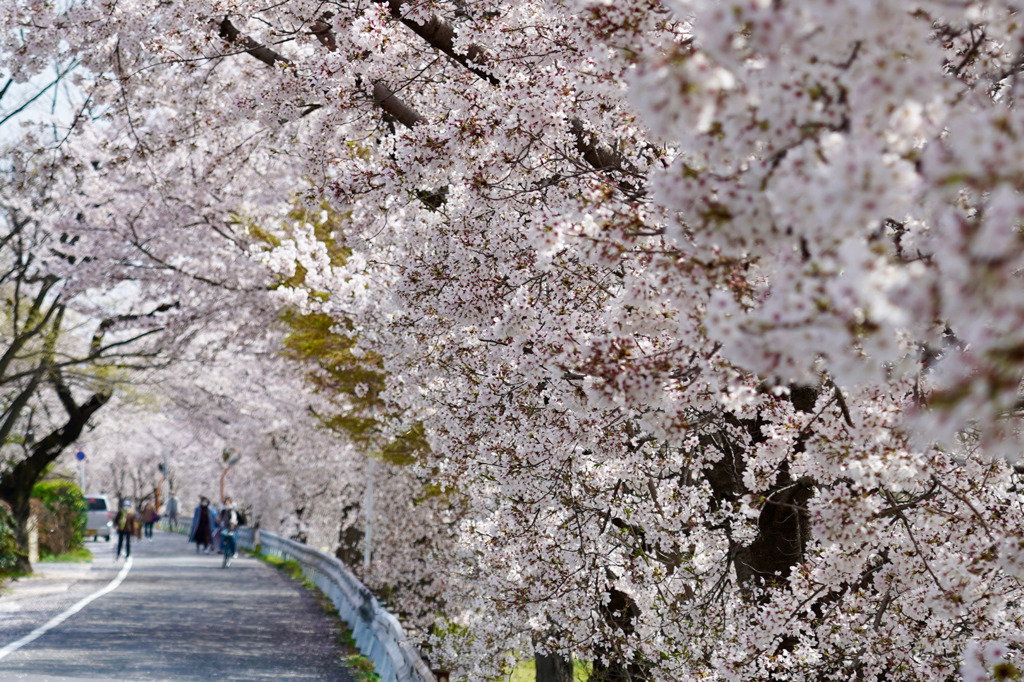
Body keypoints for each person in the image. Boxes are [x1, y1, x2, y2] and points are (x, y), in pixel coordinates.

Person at [218, 497, 240, 565]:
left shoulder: (233, 511)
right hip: (225, 528)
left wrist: (232, 525)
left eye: (228, 503)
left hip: (233, 528)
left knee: (233, 540)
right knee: (222, 538)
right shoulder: (223, 511)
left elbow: (233, 519)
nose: (226, 504)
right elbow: (220, 519)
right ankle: (221, 549)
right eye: (225, 503)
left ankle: (234, 552)